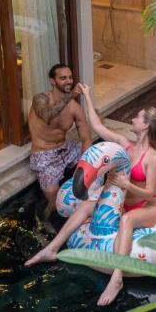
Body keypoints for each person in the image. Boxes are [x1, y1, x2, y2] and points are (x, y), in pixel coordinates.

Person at [25, 84, 156, 307]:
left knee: (126, 220)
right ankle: (52, 249)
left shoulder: (153, 158)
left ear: (146, 126)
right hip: (124, 201)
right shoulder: (125, 145)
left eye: (138, 117)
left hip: (146, 206)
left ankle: (117, 278)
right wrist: (88, 96)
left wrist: (126, 184)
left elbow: (150, 192)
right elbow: (97, 125)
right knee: (86, 206)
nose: (132, 119)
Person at [28, 63, 92, 221]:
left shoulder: (75, 107)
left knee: (99, 163)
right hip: (45, 156)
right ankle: (45, 224)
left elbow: (86, 138)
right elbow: (47, 115)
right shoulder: (40, 99)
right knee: (56, 202)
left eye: (70, 77)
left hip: (66, 149)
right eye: (63, 78)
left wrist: (85, 167)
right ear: (52, 81)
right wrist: (70, 96)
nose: (69, 81)